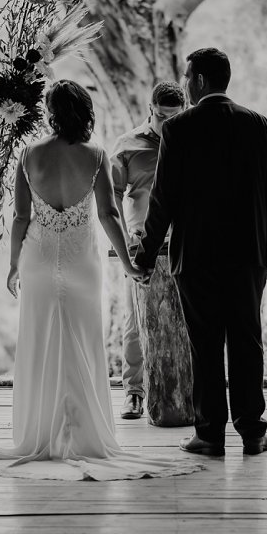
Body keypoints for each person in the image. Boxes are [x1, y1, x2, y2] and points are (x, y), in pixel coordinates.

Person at [0, 80, 200, 482]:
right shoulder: (96, 155)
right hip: (81, 259)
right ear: (85, 111)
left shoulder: (29, 154)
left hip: (37, 258)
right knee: (82, 341)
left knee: (40, 340)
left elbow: (20, 217)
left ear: (51, 112)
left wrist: (14, 265)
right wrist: (128, 264)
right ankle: (85, 435)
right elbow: (108, 215)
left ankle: (40, 434)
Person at [134, 47, 267, 458]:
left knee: (205, 346)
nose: (185, 84)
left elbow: (162, 200)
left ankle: (210, 435)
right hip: (249, 256)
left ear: (199, 80)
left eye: (187, 77)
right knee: (247, 342)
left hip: (196, 256)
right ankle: (253, 433)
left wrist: (145, 257)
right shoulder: (261, 126)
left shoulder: (178, 129)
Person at [110, 80, 187, 419]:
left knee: (190, 319)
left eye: (175, 117)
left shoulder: (191, 142)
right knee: (135, 320)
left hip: (186, 244)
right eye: (161, 117)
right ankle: (134, 393)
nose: (168, 124)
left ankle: (190, 392)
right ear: (150, 110)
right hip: (142, 246)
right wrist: (124, 239)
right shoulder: (127, 145)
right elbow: (111, 196)